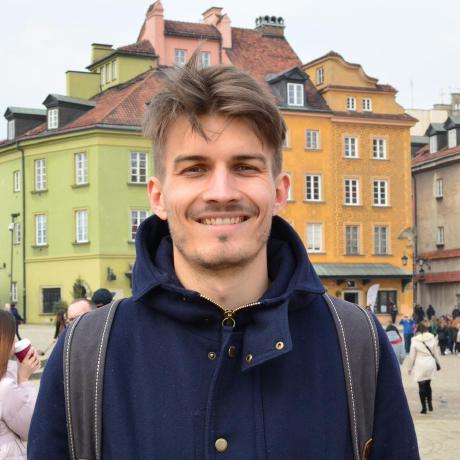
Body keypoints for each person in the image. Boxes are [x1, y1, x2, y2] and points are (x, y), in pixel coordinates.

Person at [28, 55, 419, 459]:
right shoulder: (85, 356)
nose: (221, 193)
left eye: (244, 167)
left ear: (279, 191)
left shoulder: (357, 346)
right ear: (158, 196)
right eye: (195, 169)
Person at [0, 310, 40, 458]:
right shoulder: (5, 387)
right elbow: (31, 428)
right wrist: (24, 379)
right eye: (12, 337)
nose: (15, 342)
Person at [407, 322, 440, 414]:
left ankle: (424, 408)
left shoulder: (415, 340)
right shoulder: (432, 337)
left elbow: (412, 355)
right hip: (430, 362)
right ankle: (430, 404)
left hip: (420, 363)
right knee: (428, 384)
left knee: (421, 385)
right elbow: (436, 352)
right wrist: (438, 363)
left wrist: (410, 367)